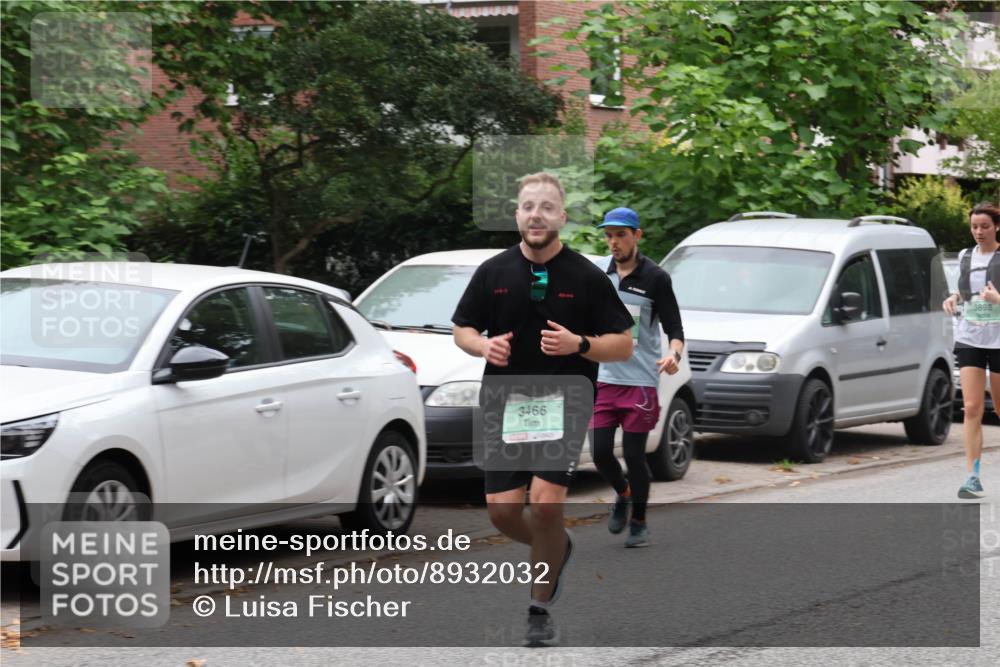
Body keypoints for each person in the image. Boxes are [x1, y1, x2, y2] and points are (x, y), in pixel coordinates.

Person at [452, 172, 633, 645]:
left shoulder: (587, 278)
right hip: (504, 401)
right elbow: (463, 328)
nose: (536, 215)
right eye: (528, 206)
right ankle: (556, 548)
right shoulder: (493, 271)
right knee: (502, 512)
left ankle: (538, 606)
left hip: (564, 398)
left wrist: (581, 343)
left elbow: (624, 345)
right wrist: (481, 347)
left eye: (546, 207)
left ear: (562, 217)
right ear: (516, 215)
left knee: (547, 503)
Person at [589, 207, 685, 547]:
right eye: (609, 236)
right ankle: (623, 493)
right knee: (600, 452)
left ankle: (640, 522)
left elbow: (674, 328)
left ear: (637, 236)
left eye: (621, 235)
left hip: (641, 382)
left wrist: (673, 354)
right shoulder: (600, 272)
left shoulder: (656, 278)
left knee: (633, 455)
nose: (614, 242)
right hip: (604, 378)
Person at [942, 202, 1000, 499]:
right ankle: (972, 476)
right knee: (973, 408)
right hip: (970, 337)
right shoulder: (965, 256)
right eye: (974, 227)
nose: (979, 232)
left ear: (997, 227)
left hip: (999, 340)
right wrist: (953, 298)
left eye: (985, 227)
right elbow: (965, 292)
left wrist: (998, 299)